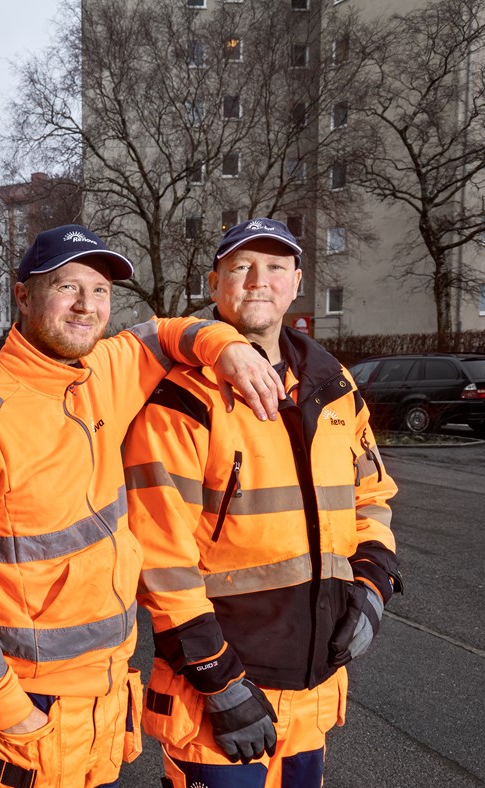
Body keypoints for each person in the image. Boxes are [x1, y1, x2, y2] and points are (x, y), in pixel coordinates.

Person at [0, 224, 286, 788]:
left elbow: (166, 333)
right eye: (67, 286)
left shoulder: (100, 372)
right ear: (22, 296)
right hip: (30, 698)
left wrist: (227, 347)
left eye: (102, 290)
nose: (88, 305)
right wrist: (7, 704)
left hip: (106, 691)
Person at [123, 218, 401, 788]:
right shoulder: (184, 397)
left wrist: (373, 584)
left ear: (296, 283)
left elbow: (371, 497)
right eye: (240, 267)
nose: (258, 280)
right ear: (214, 282)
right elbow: (158, 557)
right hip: (221, 694)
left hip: (315, 688)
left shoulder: (334, 385)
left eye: (275, 267)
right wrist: (219, 683)